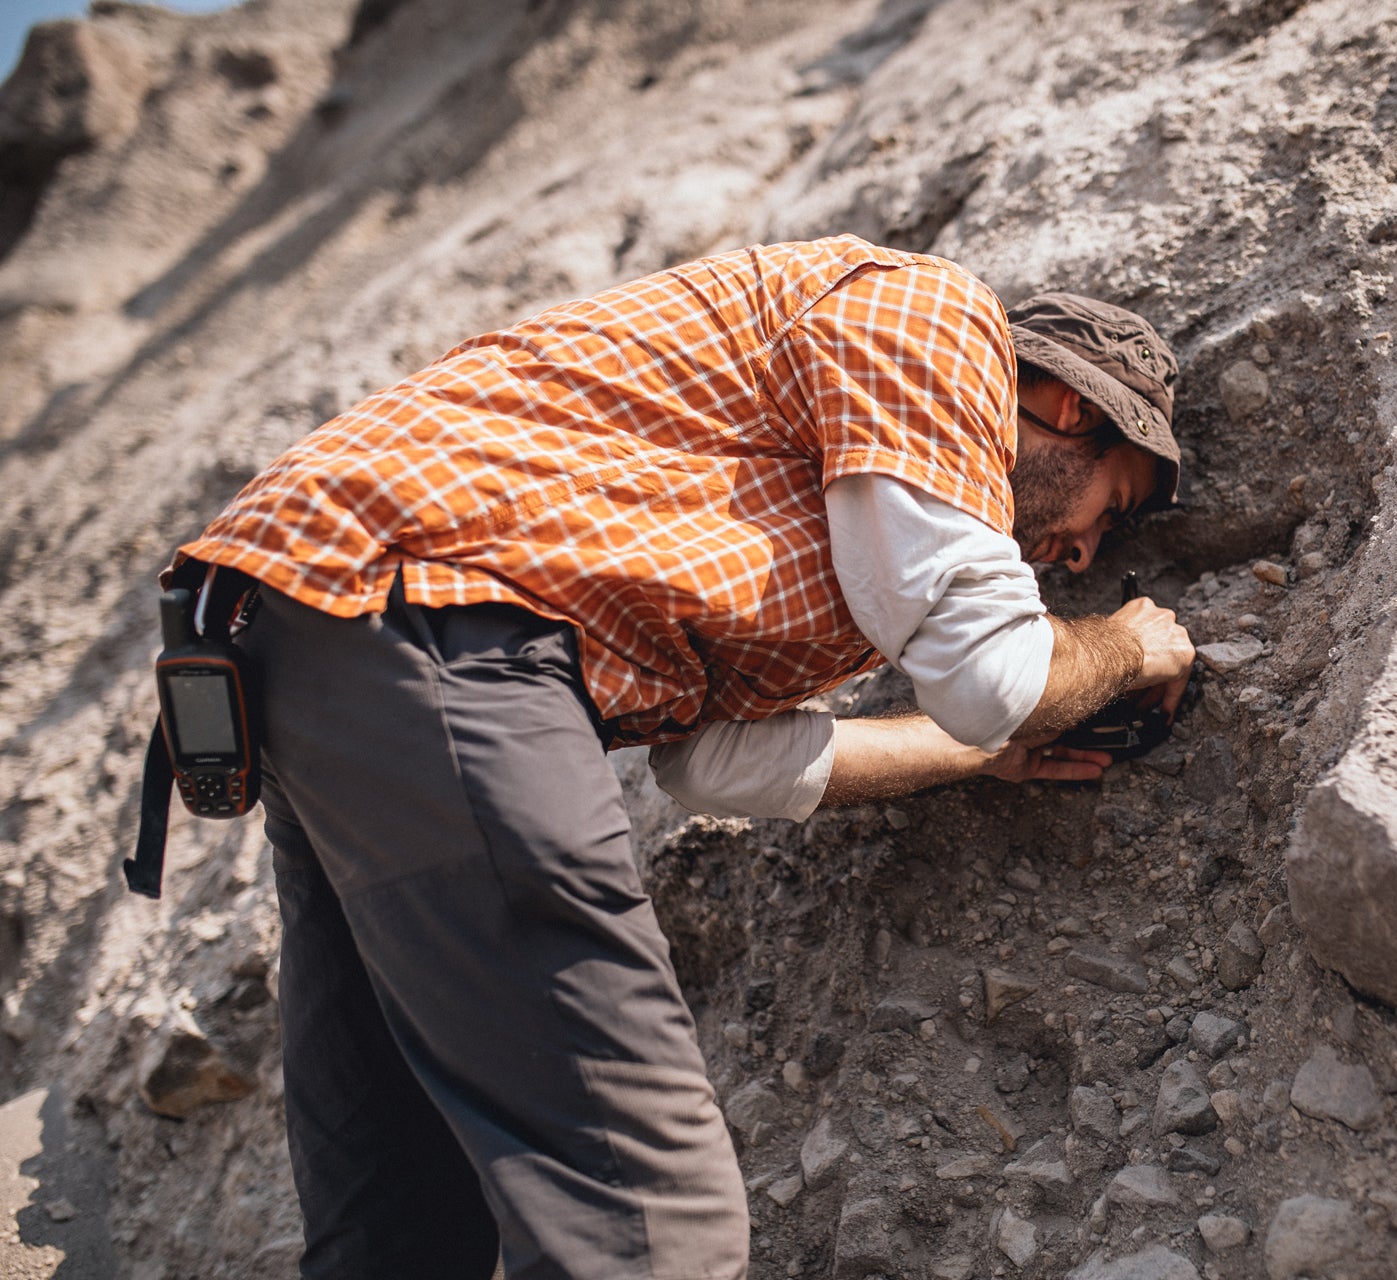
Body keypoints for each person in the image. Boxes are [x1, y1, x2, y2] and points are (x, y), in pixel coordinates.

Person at [170, 234, 1192, 1278]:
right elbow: (993, 679)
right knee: (646, 1218)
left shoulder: (783, 507)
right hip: (436, 622)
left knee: (401, 1216)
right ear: (1068, 407)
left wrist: (971, 756)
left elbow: (720, 767)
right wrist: (1126, 645)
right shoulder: (937, 318)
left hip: (322, 645)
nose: (1079, 554)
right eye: (1107, 507)